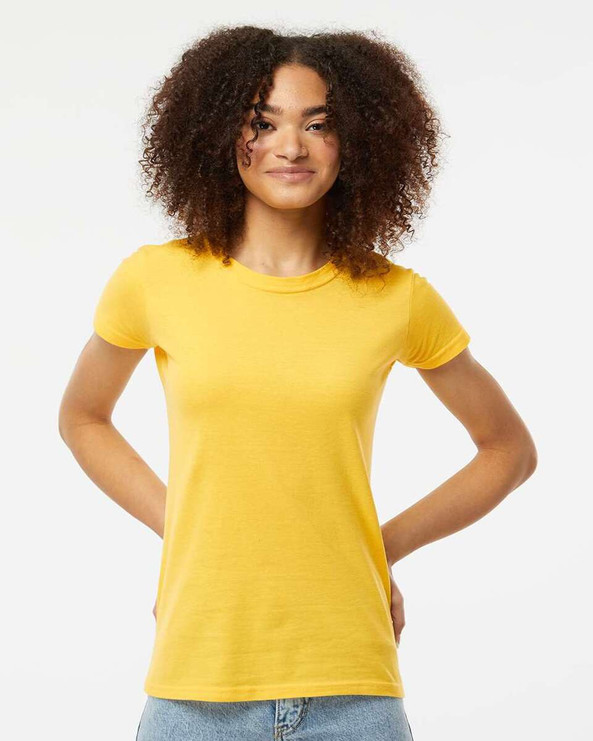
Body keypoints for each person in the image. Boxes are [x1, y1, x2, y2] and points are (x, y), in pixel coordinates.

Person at [58, 25, 537, 741]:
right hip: (196, 689)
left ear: (356, 141)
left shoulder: (395, 297)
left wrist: (379, 547)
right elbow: (82, 417)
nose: (291, 146)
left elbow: (507, 450)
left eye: (318, 124)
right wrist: (183, 526)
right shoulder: (155, 280)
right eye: (263, 122)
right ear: (221, 135)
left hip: (353, 692)